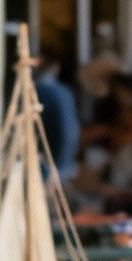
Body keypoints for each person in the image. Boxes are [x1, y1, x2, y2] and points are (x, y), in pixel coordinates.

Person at [33, 48, 80, 182]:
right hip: (64, 164)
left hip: (49, 165)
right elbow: (71, 132)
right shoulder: (64, 91)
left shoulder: (40, 91)